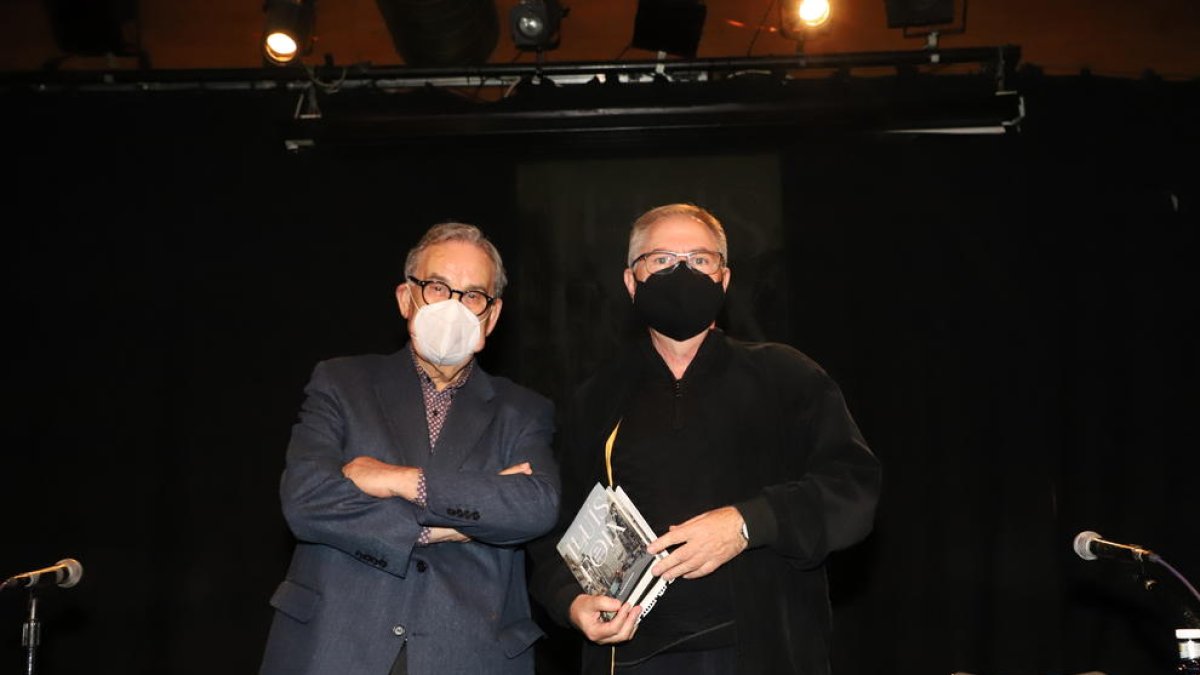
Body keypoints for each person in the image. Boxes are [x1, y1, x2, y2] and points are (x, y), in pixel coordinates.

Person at [530, 204, 881, 674]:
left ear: (725, 278)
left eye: (699, 260)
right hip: (631, 658)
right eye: (661, 260)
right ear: (631, 282)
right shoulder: (596, 398)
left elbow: (853, 490)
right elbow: (555, 526)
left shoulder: (787, 376)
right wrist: (570, 601)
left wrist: (745, 524)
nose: (681, 272)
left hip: (761, 653)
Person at [261, 222, 560, 675]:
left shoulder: (523, 410)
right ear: (406, 298)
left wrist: (403, 481)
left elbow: (534, 507)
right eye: (438, 287)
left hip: (468, 653)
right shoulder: (341, 384)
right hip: (334, 648)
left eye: (473, 296)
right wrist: (448, 524)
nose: (454, 309)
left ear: (491, 317)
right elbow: (305, 499)